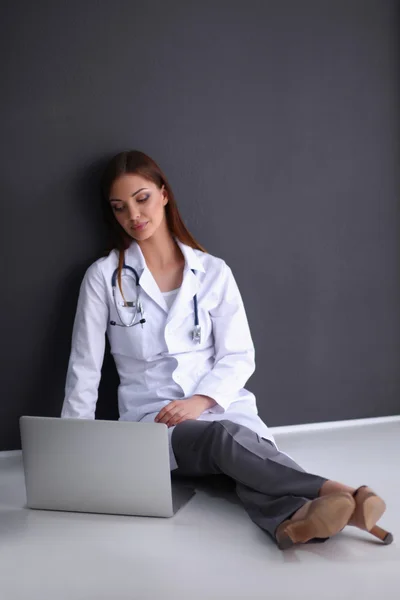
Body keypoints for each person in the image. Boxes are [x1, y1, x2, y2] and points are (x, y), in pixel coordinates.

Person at [61, 150, 392, 550]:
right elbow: (85, 368)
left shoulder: (213, 271)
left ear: (164, 195)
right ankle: (340, 492)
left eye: (142, 198)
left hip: (224, 404)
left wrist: (201, 400)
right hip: (156, 422)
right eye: (120, 207)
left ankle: (294, 522)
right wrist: (71, 451)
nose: (133, 214)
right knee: (223, 441)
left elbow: (239, 355)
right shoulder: (104, 278)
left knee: (241, 459)